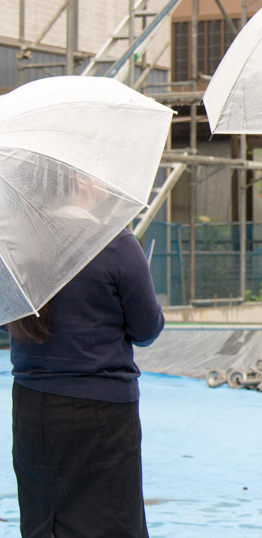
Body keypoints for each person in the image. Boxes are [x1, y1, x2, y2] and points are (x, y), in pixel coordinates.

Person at [8, 227, 165, 538]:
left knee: (44, 521)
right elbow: (147, 328)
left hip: (31, 405)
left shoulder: (17, 243)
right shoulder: (113, 242)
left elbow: (8, 316)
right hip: (102, 407)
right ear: (83, 183)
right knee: (112, 523)